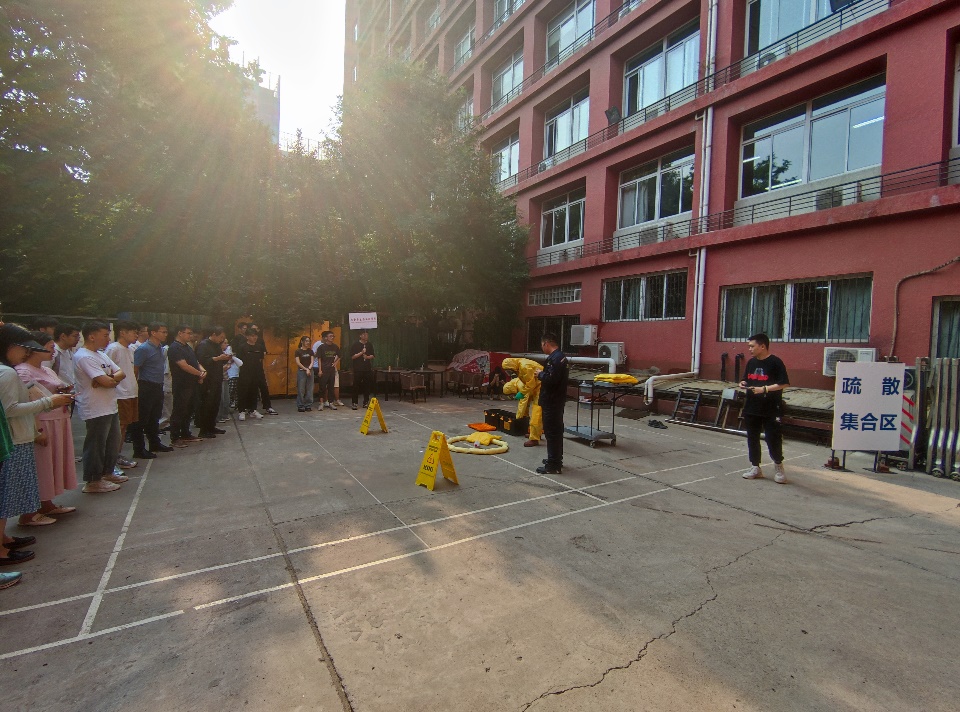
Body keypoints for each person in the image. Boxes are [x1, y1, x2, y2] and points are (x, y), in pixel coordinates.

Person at [1, 325, 73, 570]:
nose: (25, 354)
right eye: (23, 348)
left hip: (19, 435)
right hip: (16, 437)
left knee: (9, 494)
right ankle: (2, 548)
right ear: (10, 346)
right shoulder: (8, 373)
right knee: (6, 495)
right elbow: (10, 409)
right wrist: (48, 402)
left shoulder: (10, 371)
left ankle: (4, 538)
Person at [14, 333, 78, 524]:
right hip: (43, 421)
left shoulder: (47, 369)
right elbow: (26, 401)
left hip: (58, 418)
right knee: (41, 465)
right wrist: (37, 430)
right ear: (34, 349)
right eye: (50, 347)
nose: (53, 351)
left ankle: (46, 503)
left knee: (52, 464)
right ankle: (29, 512)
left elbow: (50, 390)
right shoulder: (23, 371)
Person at [74, 321, 128, 492]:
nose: (108, 339)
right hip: (95, 407)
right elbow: (107, 382)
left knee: (112, 442)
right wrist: (108, 380)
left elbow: (121, 373)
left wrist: (108, 379)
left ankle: (107, 472)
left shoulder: (101, 355)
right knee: (96, 444)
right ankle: (93, 480)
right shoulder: (84, 356)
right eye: (105, 335)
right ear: (92, 336)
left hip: (109, 405)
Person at [739, 332, 790, 484]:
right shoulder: (751, 363)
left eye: (752, 346)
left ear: (762, 346)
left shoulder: (775, 362)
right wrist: (743, 383)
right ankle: (755, 467)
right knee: (752, 438)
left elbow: (784, 383)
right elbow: (746, 379)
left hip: (770, 408)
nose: (749, 349)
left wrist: (765, 389)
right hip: (752, 407)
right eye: (749, 346)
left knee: (772, 438)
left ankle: (778, 465)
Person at [132, 322, 174, 458]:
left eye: (166, 332)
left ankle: (155, 443)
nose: (165, 334)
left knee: (154, 417)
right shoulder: (143, 349)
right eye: (163, 332)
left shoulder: (160, 348)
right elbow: (135, 369)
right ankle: (139, 449)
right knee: (142, 419)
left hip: (158, 385)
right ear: (153, 333)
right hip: (146, 386)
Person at [104, 320, 140, 469]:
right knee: (119, 426)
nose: (136, 335)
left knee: (124, 426)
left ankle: (116, 455)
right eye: (133, 332)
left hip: (131, 392)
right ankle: (112, 458)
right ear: (122, 333)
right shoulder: (113, 349)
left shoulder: (130, 349)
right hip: (120, 394)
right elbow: (106, 371)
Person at [536, 333, 568, 475]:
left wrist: (540, 374)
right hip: (556, 400)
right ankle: (555, 459)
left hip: (551, 401)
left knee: (551, 432)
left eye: (542, 345)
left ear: (546, 344)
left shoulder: (554, 359)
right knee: (556, 431)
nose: (542, 348)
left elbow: (551, 379)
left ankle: (553, 465)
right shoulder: (560, 357)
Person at [167, 325, 205, 446]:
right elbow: (183, 365)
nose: (190, 336)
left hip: (192, 383)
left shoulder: (187, 347)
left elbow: (195, 362)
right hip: (182, 384)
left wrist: (202, 371)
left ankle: (185, 433)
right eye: (188, 333)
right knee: (179, 410)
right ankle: (175, 437)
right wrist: (199, 373)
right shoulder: (174, 348)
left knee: (189, 409)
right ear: (180, 333)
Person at [194, 327, 230, 438]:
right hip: (208, 379)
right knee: (207, 404)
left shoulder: (217, 345)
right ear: (214, 334)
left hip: (217, 378)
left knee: (215, 403)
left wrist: (225, 358)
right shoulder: (203, 345)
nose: (221, 340)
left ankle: (211, 426)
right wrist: (217, 358)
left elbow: (219, 359)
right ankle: (204, 429)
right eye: (221, 337)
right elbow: (201, 361)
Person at [501, 357, 544, 448]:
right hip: (537, 387)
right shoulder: (519, 368)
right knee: (535, 413)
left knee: (536, 413)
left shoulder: (524, 367)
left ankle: (534, 439)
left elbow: (523, 404)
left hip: (541, 388)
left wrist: (517, 419)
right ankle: (535, 433)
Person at [235, 327, 267, 421]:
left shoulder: (259, 347)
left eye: (255, 335)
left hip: (256, 372)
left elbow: (260, 359)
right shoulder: (242, 347)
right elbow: (238, 359)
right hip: (245, 372)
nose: (254, 337)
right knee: (243, 391)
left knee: (254, 391)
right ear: (247, 336)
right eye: (252, 336)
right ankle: (242, 411)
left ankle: (253, 410)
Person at [247, 324, 278, 415]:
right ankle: (250, 408)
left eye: (257, 329)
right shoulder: (244, 343)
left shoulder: (260, 341)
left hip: (258, 368)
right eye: (253, 329)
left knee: (263, 386)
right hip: (248, 369)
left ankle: (268, 406)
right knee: (250, 388)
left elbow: (263, 354)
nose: (256, 331)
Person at [349, 330, 375, 410]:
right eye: (364, 335)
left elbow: (373, 355)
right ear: (360, 336)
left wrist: (367, 357)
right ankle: (354, 403)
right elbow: (352, 357)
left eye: (367, 335)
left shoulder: (369, 344)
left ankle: (366, 402)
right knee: (356, 386)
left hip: (367, 368)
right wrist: (361, 352)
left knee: (367, 386)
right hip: (358, 368)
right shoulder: (355, 344)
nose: (366, 336)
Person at [52, 323, 80, 392]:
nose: (78, 339)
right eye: (75, 336)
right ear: (63, 336)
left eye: (78, 337)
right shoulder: (52, 353)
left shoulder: (69, 352)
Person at [316, 331, 340, 410]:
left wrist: (335, 363)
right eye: (330, 336)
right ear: (326, 337)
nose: (332, 337)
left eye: (333, 336)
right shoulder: (321, 347)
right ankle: (321, 403)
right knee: (322, 387)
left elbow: (340, 355)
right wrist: (320, 370)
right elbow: (319, 359)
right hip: (323, 369)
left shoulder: (335, 347)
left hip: (331, 370)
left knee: (331, 387)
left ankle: (331, 403)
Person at [294, 336, 314, 412]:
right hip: (301, 371)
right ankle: (300, 405)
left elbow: (312, 361)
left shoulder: (310, 351)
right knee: (301, 389)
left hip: (310, 370)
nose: (307, 343)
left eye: (308, 341)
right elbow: (298, 362)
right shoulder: (298, 351)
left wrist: (309, 369)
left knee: (310, 388)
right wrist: (305, 369)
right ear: (302, 341)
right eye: (306, 341)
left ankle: (308, 405)